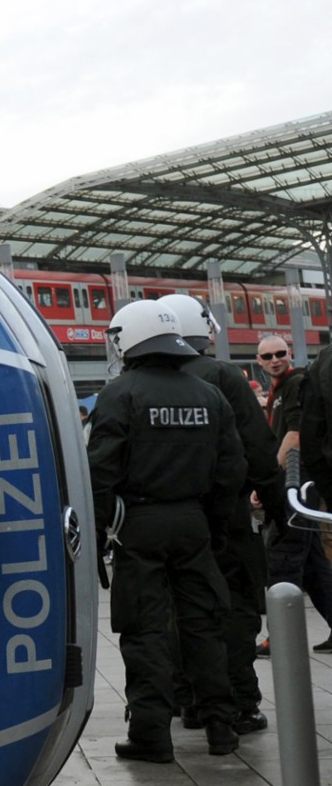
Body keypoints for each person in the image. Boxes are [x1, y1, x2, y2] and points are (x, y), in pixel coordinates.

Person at [89, 300, 245, 762]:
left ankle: (152, 734)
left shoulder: (120, 394)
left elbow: (100, 472)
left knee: (145, 629)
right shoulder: (208, 394)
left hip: (139, 526)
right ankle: (221, 726)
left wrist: (97, 536)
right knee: (203, 624)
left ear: (132, 338)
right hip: (193, 523)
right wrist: (211, 528)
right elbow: (230, 470)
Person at [156, 295, 277, 733]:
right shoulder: (223, 375)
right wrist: (277, 507)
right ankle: (239, 705)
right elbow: (258, 451)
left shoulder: (132, 385)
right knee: (234, 609)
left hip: (161, 523)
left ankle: (186, 699)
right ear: (204, 329)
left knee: (176, 609)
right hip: (223, 519)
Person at [255, 334, 332, 649]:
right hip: (300, 486)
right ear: (259, 362)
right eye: (267, 356)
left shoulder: (296, 384)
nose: (275, 359)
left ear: (290, 353)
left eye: (280, 353)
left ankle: (281, 638)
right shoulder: (281, 388)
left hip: (294, 485)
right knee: (313, 565)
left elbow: (297, 434)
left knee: (283, 558)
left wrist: (270, 479)